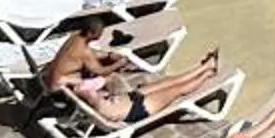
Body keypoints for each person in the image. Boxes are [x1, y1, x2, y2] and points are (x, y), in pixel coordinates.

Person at [49, 30, 229, 126]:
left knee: (171, 81)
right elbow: (102, 79)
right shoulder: (91, 98)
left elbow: (98, 84)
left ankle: (204, 66)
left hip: (131, 98)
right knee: (177, 90)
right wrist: (112, 71)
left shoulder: (84, 97)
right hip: (137, 108)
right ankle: (207, 72)